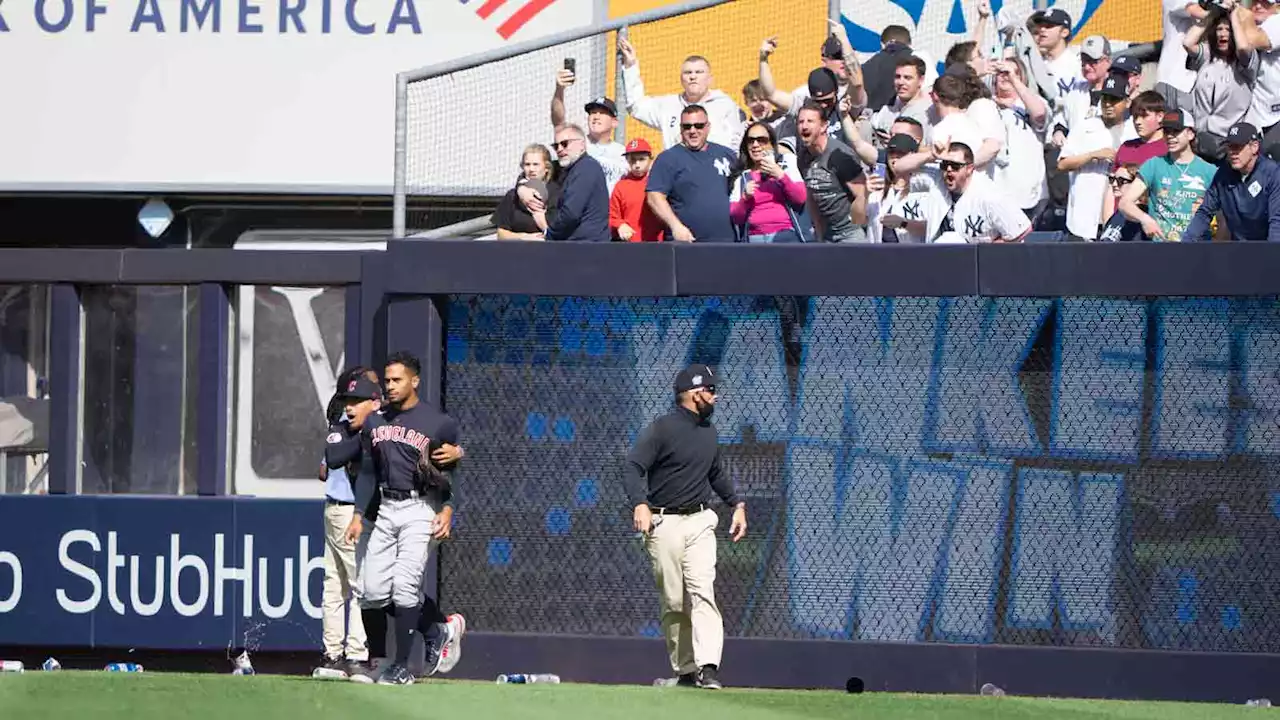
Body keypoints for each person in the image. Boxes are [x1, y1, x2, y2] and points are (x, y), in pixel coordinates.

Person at [344, 351, 465, 685]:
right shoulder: (375, 419)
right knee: (371, 590)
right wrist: (357, 513)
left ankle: (400, 667)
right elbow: (368, 470)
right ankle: (417, 641)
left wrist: (448, 509)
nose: (391, 386)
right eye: (387, 380)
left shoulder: (438, 422)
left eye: (397, 379)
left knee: (405, 586)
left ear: (415, 381)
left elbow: (451, 471)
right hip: (386, 507)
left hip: (420, 508)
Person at [624, 364, 747, 691]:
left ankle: (708, 668)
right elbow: (633, 466)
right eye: (710, 389)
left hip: (700, 522)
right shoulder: (662, 429)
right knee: (675, 602)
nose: (715, 395)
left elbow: (716, 473)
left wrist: (737, 504)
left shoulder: (709, 431)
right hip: (664, 523)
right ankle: (686, 671)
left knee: (702, 592)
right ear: (694, 394)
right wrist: (639, 503)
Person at [313, 366, 380, 681]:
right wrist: (367, 440)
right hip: (345, 512)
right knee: (352, 584)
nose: (351, 405)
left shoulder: (370, 427)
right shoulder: (341, 427)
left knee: (337, 585)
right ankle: (353, 655)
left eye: (358, 399)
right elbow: (332, 459)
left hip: (342, 510)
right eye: (348, 399)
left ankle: (333, 654)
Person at [618, 36, 744, 150]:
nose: (693, 77)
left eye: (699, 72)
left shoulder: (725, 105)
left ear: (710, 79)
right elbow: (636, 106)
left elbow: (738, 140)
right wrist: (631, 66)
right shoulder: (668, 105)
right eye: (688, 73)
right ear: (681, 79)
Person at [1118, 109, 1217, 241]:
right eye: (1166, 132)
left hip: (1197, 249)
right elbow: (1125, 203)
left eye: (1176, 131)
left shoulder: (1210, 171)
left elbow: (1223, 217)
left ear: (1190, 134)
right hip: (1161, 248)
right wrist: (1145, 219)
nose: (1170, 136)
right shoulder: (1153, 165)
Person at [645, 105, 739, 242]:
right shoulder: (668, 159)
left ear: (708, 127)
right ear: (680, 128)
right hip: (687, 243)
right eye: (687, 126)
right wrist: (676, 226)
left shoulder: (727, 155)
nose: (693, 131)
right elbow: (654, 197)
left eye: (699, 125)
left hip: (727, 242)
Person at [1185, 121, 1280, 242]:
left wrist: (1273, 255)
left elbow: (1277, 221)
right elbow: (1205, 212)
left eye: (1238, 146)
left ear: (1254, 147)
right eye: (1230, 146)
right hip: (1238, 248)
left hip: (1265, 246)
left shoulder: (1273, 174)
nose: (1233, 152)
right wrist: (1185, 244)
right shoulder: (1223, 174)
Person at [797, 100, 868, 243]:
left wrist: (857, 231)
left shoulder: (840, 155)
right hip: (827, 235)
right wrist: (819, 232)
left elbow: (862, 195)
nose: (804, 126)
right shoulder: (803, 157)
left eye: (810, 121)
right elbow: (812, 196)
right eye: (800, 122)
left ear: (824, 126)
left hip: (851, 233)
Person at [935, 142, 1032, 243]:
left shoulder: (988, 195)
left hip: (984, 256)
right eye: (945, 165)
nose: (949, 170)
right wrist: (931, 154)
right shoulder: (938, 183)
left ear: (969, 169)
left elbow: (1021, 231)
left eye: (955, 166)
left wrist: (987, 252)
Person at [549, 69, 628, 194]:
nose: (596, 116)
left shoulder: (623, 153)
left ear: (614, 122)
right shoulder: (576, 143)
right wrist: (559, 90)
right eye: (592, 113)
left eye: (602, 113)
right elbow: (558, 122)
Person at [728, 121, 807, 243]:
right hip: (755, 238)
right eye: (751, 140)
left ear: (771, 143)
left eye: (761, 140)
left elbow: (800, 198)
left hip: (785, 234)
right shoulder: (742, 177)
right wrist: (745, 198)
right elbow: (736, 218)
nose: (755, 145)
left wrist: (780, 175)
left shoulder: (786, 165)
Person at [543, 124, 610, 242]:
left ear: (582, 145)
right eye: (555, 146)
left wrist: (549, 233)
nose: (559, 149)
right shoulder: (570, 169)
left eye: (565, 144)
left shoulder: (586, 168)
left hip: (586, 247)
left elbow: (571, 213)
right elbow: (535, 171)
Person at [492, 144, 560, 241]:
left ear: (546, 168)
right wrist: (524, 237)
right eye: (527, 164)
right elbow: (501, 234)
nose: (531, 169)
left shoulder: (557, 195)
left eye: (536, 164)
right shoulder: (512, 196)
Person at [609, 138, 664, 242]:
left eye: (642, 159)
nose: (637, 165)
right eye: (633, 160)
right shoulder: (621, 186)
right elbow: (612, 215)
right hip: (630, 244)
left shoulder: (659, 182)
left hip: (656, 243)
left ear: (650, 159)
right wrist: (620, 225)